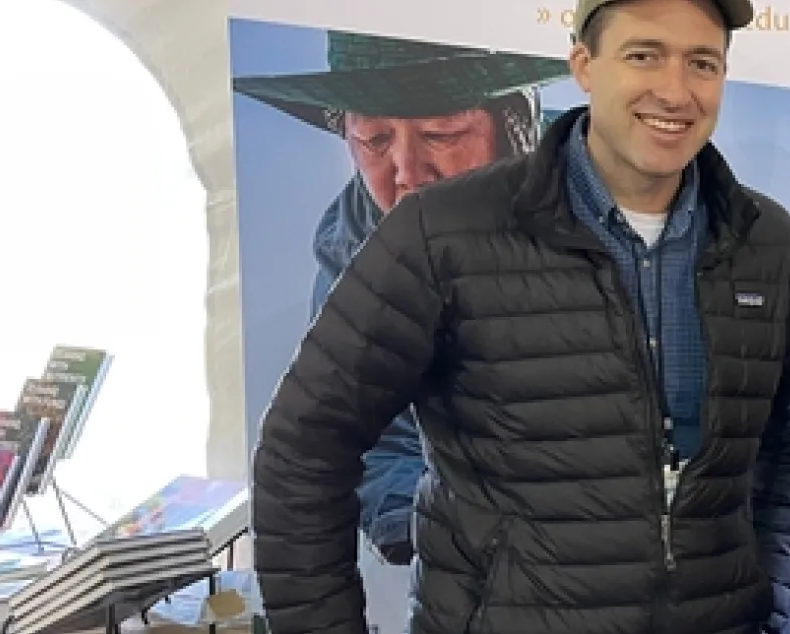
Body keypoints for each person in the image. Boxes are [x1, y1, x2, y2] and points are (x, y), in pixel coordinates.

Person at [249, 0, 790, 632]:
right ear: (584, 65)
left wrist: (768, 600)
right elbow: (303, 450)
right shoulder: (436, 234)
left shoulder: (769, 245)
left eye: (702, 63)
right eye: (643, 55)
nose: (674, 89)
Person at [232, 31, 569, 563]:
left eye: (441, 134)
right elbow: (369, 434)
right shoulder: (354, 247)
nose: (408, 173)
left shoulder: (608, 208)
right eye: (375, 140)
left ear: (515, 128)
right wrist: (437, 529)